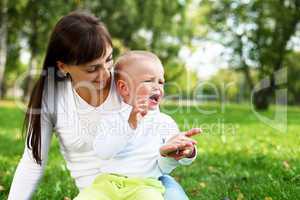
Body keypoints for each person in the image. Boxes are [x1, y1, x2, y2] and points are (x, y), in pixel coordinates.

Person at [8, 11, 199, 200]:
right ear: (63, 66)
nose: (106, 74)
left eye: (108, 60)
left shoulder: (128, 85)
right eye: (92, 69)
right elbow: (33, 163)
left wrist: (181, 152)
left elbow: (156, 148)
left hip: (146, 183)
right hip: (99, 192)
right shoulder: (52, 98)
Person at [74, 51, 200, 200]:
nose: (157, 87)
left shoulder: (164, 122)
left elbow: (164, 167)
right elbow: (103, 152)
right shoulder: (110, 119)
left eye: (161, 82)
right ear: (124, 88)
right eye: (149, 81)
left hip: (145, 186)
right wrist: (130, 125)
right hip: (107, 185)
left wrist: (185, 152)